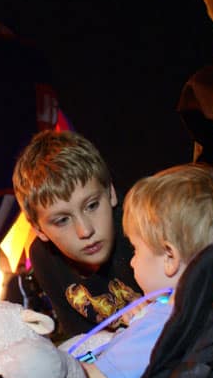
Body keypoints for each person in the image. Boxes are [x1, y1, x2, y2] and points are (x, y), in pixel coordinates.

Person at [83, 163, 213, 378]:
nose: (131, 261)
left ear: (170, 257)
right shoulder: (211, 312)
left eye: (136, 249)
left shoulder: (162, 324)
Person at [12, 130, 141, 336]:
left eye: (91, 205)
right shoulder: (43, 258)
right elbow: (81, 341)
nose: (85, 230)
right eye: (62, 220)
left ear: (111, 193)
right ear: (38, 229)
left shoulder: (144, 224)